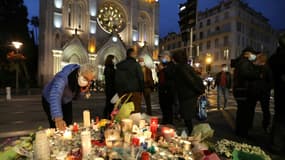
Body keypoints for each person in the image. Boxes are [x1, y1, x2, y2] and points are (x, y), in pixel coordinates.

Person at [42, 63, 97, 130]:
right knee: (56, 126)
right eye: (86, 79)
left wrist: (82, 92)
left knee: (68, 124)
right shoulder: (63, 77)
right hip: (50, 99)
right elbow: (55, 95)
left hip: (66, 100)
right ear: (79, 74)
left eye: (90, 81)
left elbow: (75, 97)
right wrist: (58, 119)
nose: (87, 83)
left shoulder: (81, 81)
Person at [172, 52, 205, 133]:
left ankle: (192, 135)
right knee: (187, 116)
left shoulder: (181, 68)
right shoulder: (186, 66)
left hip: (187, 95)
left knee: (187, 117)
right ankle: (191, 133)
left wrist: (199, 90)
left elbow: (191, 81)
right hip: (189, 94)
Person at [232, 47, 262, 137]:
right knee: (243, 112)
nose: (254, 56)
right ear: (247, 53)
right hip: (243, 90)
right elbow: (245, 74)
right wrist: (258, 73)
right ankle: (242, 133)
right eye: (253, 54)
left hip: (242, 90)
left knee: (242, 112)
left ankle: (241, 131)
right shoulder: (244, 62)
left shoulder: (243, 62)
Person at [268, 34, 285, 154]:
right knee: (280, 119)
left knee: (279, 118)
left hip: (280, 91)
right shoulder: (279, 57)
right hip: (282, 91)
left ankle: (276, 144)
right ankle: (276, 145)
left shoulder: (275, 57)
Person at [247, 53, 272, 132]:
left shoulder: (267, 69)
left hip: (262, 93)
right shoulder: (257, 68)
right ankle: (253, 125)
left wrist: (265, 89)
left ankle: (264, 125)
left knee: (265, 110)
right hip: (256, 92)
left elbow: (271, 82)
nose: (256, 59)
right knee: (253, 109)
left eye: (257, 58)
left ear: (261, 59)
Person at [115, 48, 144, 113]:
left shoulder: (120, 65)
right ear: (132, 54)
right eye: (135, 54)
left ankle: (125, 123)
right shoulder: (136, 65)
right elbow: (141, 78)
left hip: (122, 93)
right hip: (135, 92)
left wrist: (118, 91)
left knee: (125, 111)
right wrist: (142, 90)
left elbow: (116, 79)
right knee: (135, 110)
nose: (136, 55)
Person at [158, 51, 175, 124]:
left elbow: (170, 75)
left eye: (163, 57)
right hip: (162, 89)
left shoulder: (171, 65)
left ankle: (169, 121)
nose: (162, 58)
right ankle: (165, 120)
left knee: (168, 107)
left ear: (168, 57)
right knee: (163, 106)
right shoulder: (163, 65)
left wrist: (162, 69)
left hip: (168, 90)